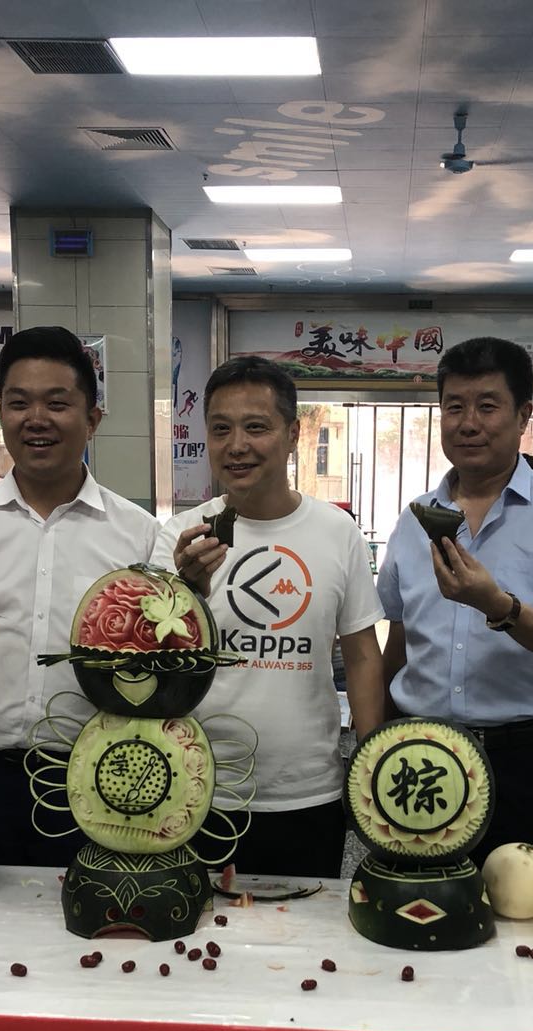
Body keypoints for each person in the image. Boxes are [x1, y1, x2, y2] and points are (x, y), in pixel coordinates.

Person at [0, 325, 159, 866]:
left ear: (93, 419)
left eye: (57, 404)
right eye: (18, 403)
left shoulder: (138, 534)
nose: (36, 418)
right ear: (2, 414)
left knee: (91, 912)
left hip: (98, 775)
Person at [377, 336, 533, 869]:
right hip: (420, 750)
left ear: (523, 414)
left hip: (522, 759)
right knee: (417, 901)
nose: (468, 423)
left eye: (487, 406)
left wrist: (498, 606)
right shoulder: (414, 517)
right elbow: (400, 640)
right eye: (454, 407)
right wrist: (376, 740)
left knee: (522, 904)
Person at [155, 355, 384, 879]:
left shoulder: (337, 533)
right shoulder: (180, 537)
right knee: (199, 928)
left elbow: (363, 658)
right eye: (221, 429)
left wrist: (370, 763)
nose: (237, 445)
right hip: (196, 788)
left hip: (308, 792)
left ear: (293, 434)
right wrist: (188, 592)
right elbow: (155, 668)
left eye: (256, 427)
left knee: (304, 930)